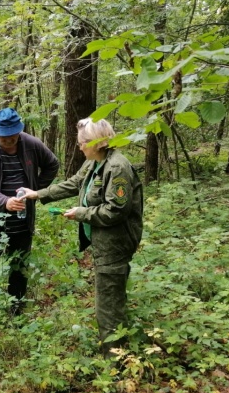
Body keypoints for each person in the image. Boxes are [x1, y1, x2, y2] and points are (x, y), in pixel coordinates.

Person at [20, 117, 143, 358]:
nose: (79, 147)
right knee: (110, 298)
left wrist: (81, 213)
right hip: (102, 242)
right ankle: (117, 353)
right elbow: (74, 184)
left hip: (115, 244)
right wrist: (37, 194)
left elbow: (115, 211)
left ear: (99, 142)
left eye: (83, 142)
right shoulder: (94, 162)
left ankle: (116, 362)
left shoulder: (117, 167)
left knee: (108, 307)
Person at [0, 108, 59, 313]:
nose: (10, 141)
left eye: (13, 137)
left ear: (19, 131)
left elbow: (52, 164)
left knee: (19, 268)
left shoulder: (32, 145)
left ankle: (16, 308)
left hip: (23, 222)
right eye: (5, 139)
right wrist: (5, 202)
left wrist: (36, 190)